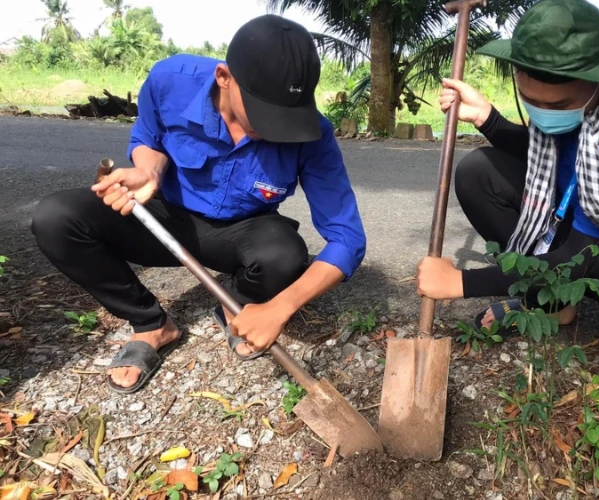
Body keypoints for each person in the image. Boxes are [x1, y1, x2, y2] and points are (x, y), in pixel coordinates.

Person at [31, 15, 366, 394]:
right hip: (165, 218)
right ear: (224, 77)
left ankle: (237, 302)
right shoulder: (170, 81)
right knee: (57, 218)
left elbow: (347, 238)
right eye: (262, 113)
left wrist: (279, 307)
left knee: (283, 256)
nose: (275, 128)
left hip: (240, 232)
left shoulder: (311, 133)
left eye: (285, 117)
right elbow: (147, 138)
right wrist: (149, 172)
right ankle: (151, 324)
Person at [415, 0, 599, 403]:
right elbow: (553, 158)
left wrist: (462, 282)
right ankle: (552, 304)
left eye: (555, 106)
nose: (542, 114)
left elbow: (581, 253)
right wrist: (488, 117)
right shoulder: (579, 105)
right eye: (529, 99)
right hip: (584, 218)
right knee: (480, 173)